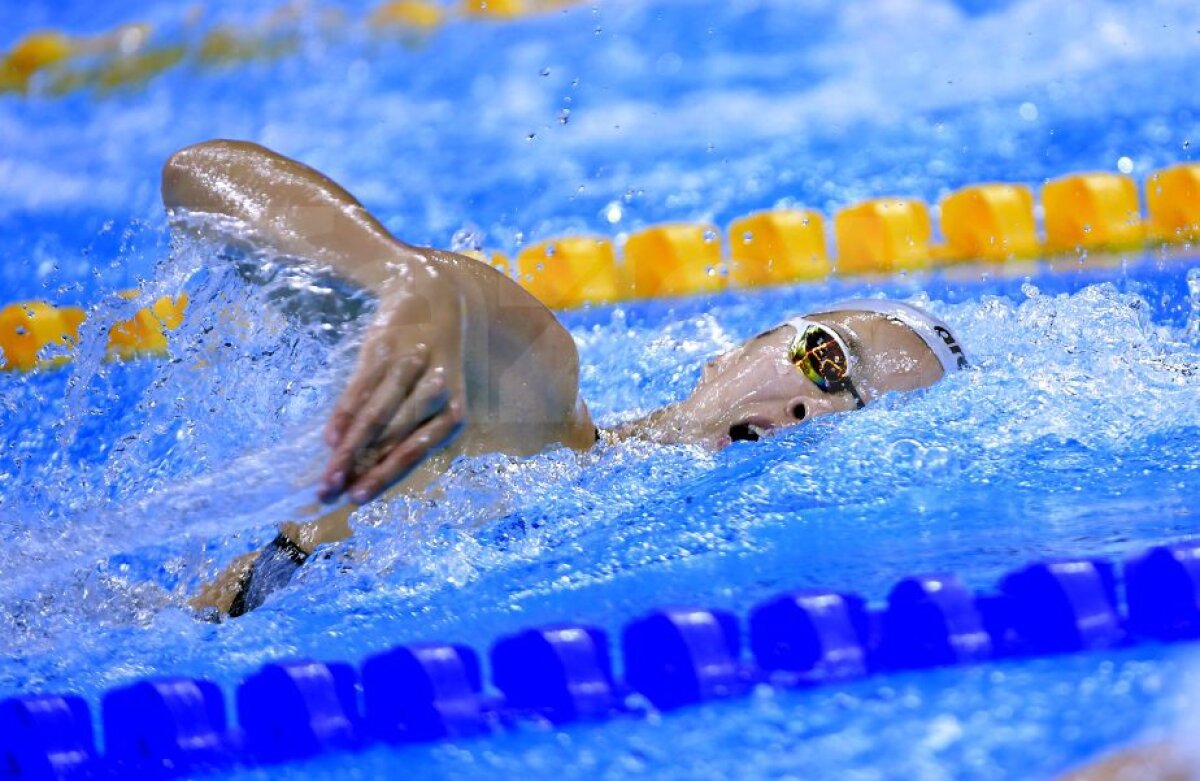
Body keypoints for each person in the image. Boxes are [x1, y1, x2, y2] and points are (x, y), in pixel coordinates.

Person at [165, 140, 968, 617]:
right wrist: (400, 275)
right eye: (826, 360)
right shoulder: (543, 407)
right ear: (733, 350)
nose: (808, 406)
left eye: (854, 417)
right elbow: (197, 176)